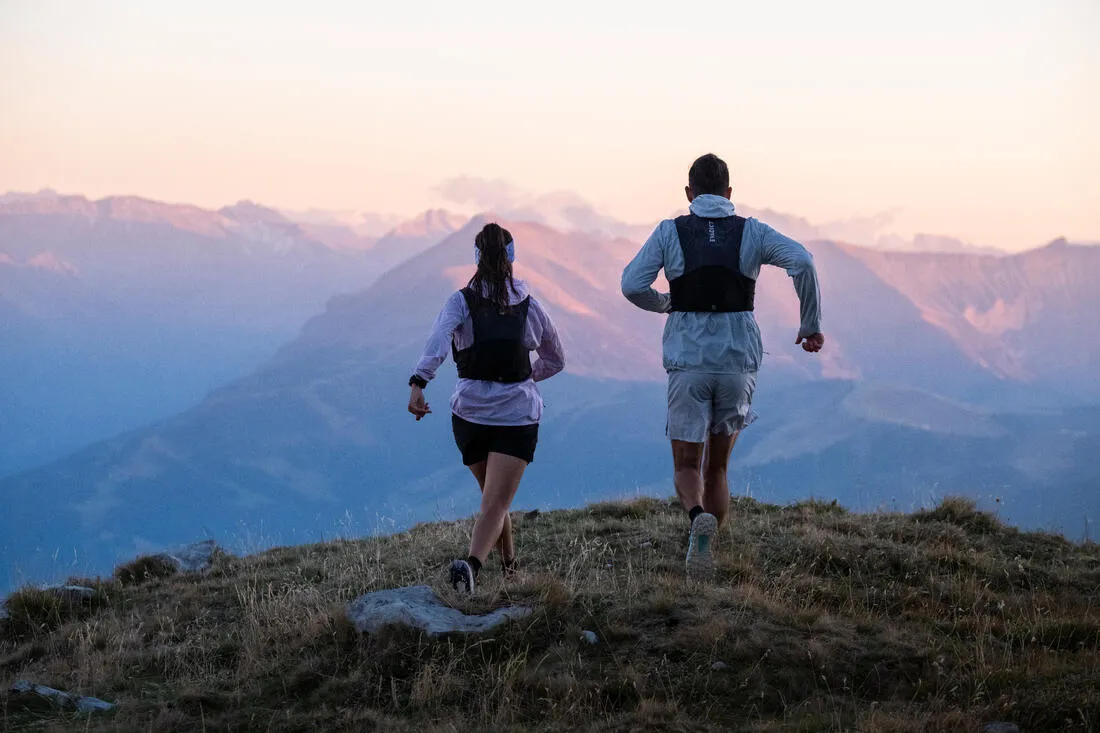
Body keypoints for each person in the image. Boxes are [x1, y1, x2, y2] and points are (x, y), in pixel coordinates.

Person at [621, 153, 824, 580]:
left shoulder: (669, 232)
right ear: (729, 193)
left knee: (685, 466)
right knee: (718, 467)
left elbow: (631, 284)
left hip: (688, 358)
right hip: (737, 360)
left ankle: (697, 519)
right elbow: (803, 261)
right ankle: (706, 552)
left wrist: (664, 303)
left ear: (689, 193)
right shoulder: (753, 232)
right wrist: (809, 325)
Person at [408, 222, 565, 593]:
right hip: (516, 416)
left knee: (492, 498)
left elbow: (437, 342)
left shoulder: (460, 301)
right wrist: (524, 377)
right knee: (495, 503)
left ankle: (510, 568)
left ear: (476, 257)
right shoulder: (530, 305)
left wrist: (419, 382)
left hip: (469, 415)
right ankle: (473, 567)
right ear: (511, 257)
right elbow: (556, 358)